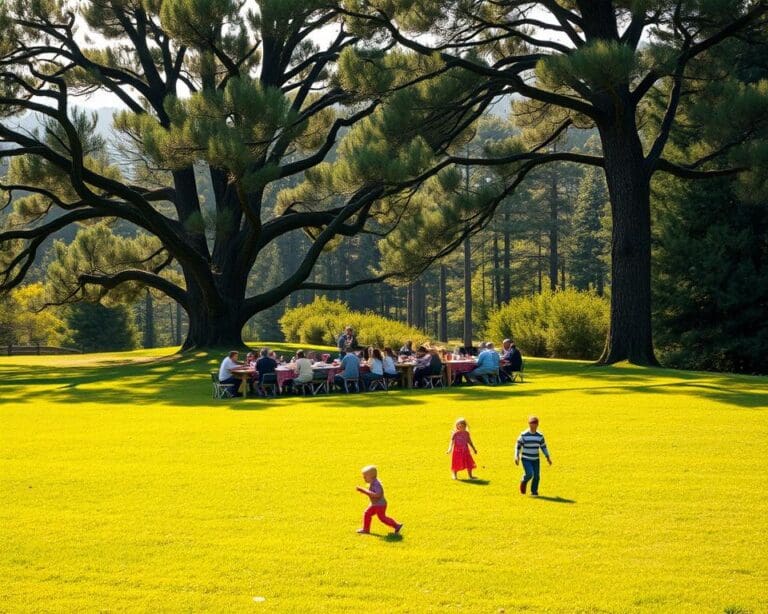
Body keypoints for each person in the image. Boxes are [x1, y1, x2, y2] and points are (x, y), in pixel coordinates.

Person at [355, 465, 403, 535]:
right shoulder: (373, 482)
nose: (364, 478)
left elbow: (378, 495)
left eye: (365, 476)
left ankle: (397, 525)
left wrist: (364, 491)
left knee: (382, 518)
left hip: (380, 505)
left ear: (371, 476)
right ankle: (366, 529)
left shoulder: (377, 484)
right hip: (375, 504)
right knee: (367, 513)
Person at [514, 416, 552, 496]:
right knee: (529, 474)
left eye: (534, 424)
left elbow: (543, 446)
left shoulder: (540, 436)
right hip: (526, 458)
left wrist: (547, 457)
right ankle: (524, 481)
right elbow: (518, 446)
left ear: (537, 425)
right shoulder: (524, 435)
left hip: (535, 459)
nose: (532, 426)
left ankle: (534, 491)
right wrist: (516, 456)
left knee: (537, 476)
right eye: (531, 424)